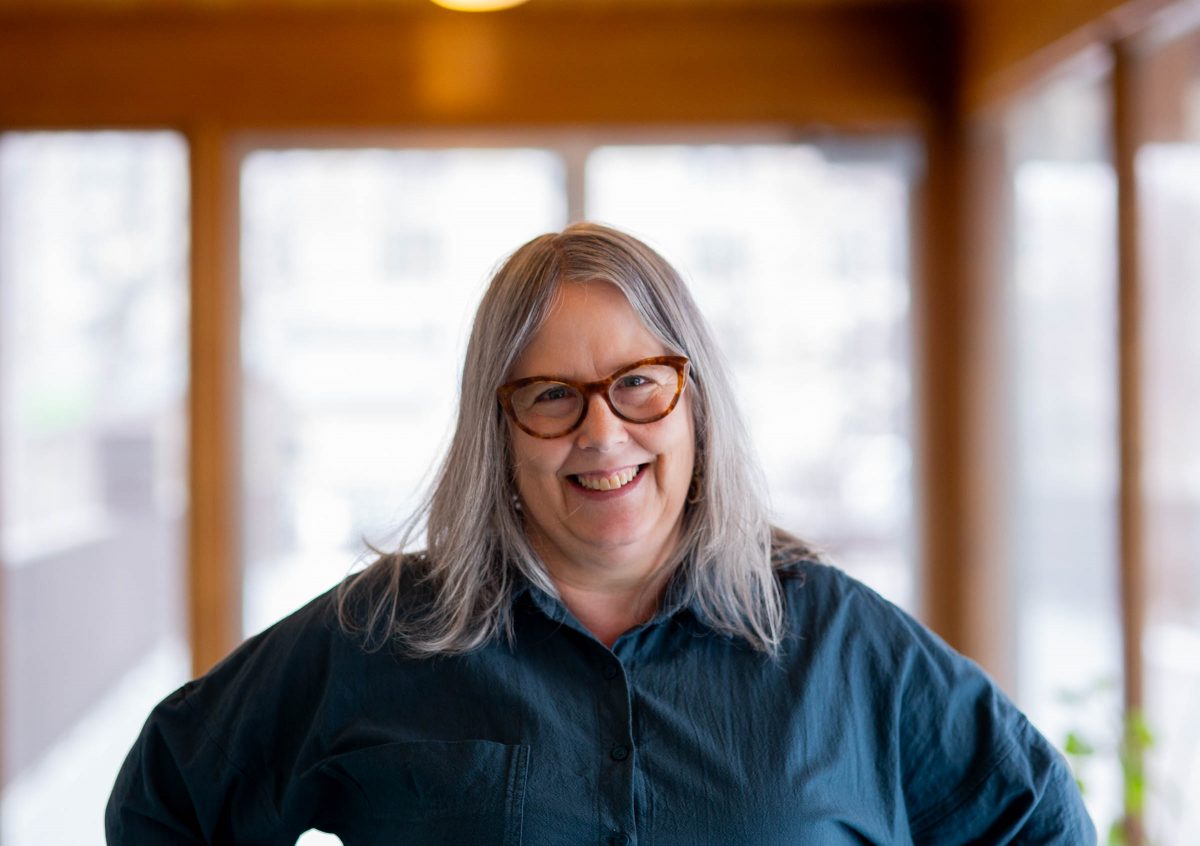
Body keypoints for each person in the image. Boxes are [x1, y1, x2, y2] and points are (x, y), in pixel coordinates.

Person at [107, 222, 1095, 845]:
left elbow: (1036, 825)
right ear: (499, 428)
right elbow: (166, 799)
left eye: (637, 384)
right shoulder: (381, 636)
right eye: (550, 396)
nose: (602, 432)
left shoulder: (839, 642)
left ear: (692, 401)